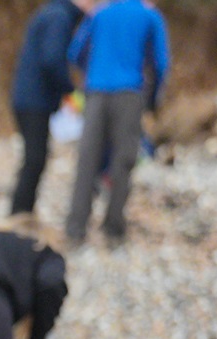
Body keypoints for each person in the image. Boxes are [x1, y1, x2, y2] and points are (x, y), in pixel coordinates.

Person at [65, 0, 170, 245]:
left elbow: (75, 52)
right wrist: (152, 100)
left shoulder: (100, 14)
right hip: (129, 93)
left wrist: (92, 74)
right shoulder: (150, 16)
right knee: (123, 161)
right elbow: (161, 63)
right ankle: (113, 230)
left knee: (87, 159)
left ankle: (75, 229)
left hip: (96, 92)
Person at [11, 0, 95, 217]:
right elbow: (52, 59)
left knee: (35, 158)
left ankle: (21, 212)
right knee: (35, 159)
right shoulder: (59, 17)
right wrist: (69, 90)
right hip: (33, 100)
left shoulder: (54, 12)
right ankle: (19, 215)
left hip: (30, 98)